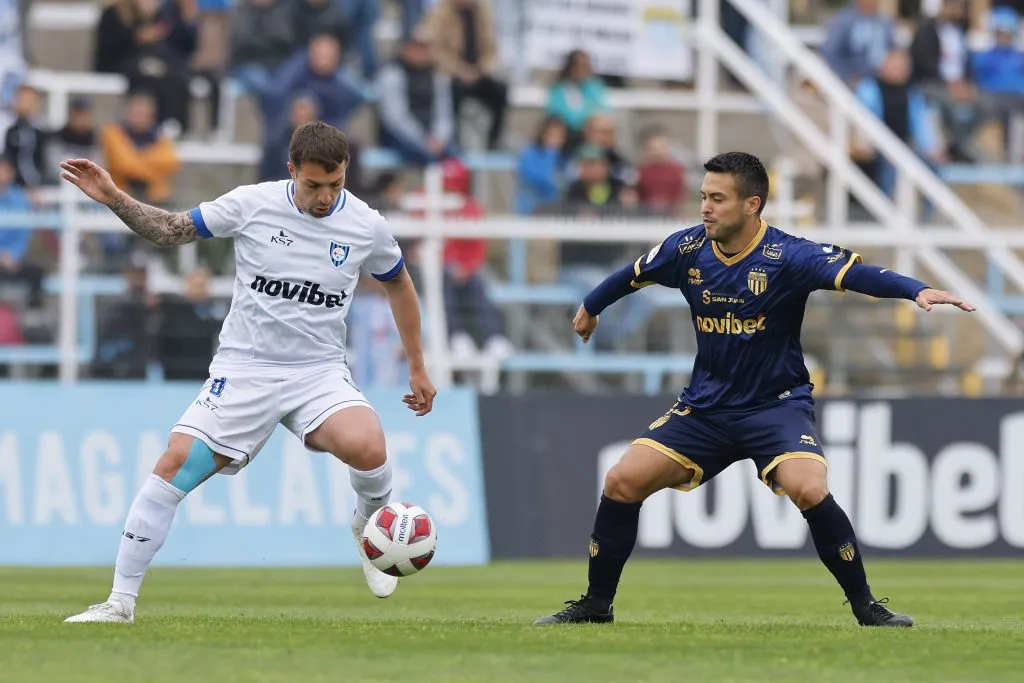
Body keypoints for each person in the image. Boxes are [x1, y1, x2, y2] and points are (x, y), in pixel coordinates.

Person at [534, 152, 975, 628]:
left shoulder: (789, 256)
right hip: (706, 409)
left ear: (752, 204)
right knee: (622, 480)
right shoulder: (687, 250)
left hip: (775, 407)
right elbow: (633, 273)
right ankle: (597, 605)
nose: (705, 207)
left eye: (717, 199)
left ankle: (868, 607)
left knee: (808, 487)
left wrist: (915, 290)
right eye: (703, 196)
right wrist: (590, 306)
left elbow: (859, 276)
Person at [60, 121, 437, 623]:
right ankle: (120, 602)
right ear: (291, 171)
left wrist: (417, 365)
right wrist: (114, 198)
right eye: (313, 186)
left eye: (335, 185)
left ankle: (371, 530)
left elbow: (399, 285)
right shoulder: (252, 203)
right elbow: (170, 230)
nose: (325, 197)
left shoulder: (366, 225)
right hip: (245, 370)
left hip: (317, 372)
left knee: (369, 446)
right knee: (174, 465)